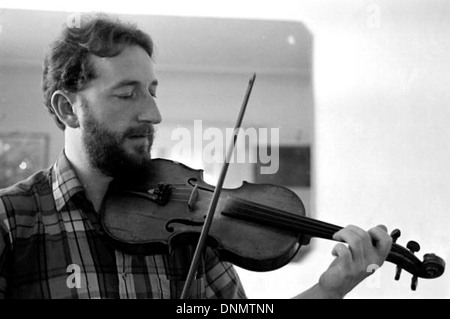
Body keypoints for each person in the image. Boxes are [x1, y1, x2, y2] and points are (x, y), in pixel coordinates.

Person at [0, 13, 392, 299]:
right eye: (126, 93)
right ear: (69, 109)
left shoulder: (188, 232)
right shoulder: (11, 222)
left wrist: (331, 287)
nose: (153, 113)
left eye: (152, 90)